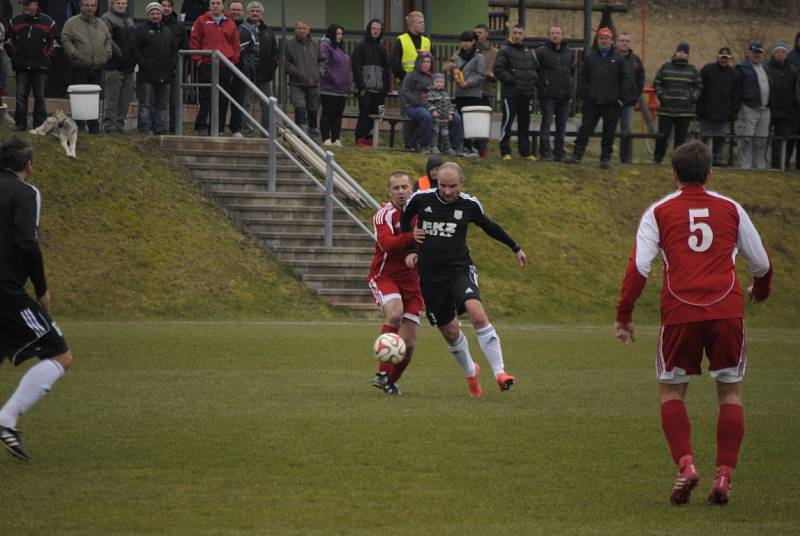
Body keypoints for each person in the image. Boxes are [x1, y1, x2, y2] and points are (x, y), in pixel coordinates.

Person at [615, 139, 772, 506]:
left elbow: (639, 268)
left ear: (673, 174)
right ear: (709, 173)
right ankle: (724, 476)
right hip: (726, 310)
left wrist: (625, 314)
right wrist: (761, 291)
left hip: (681, 313)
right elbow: (761, 263)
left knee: (672, 391)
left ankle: (686, 466)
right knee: (730, 393)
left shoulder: (658, 211)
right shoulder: (731, 208)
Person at [401, 162, 526, 398]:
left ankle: (500, 373)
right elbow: (405, 219)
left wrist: (515, 247)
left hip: (459, 269)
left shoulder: (469, 204)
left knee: (477, 313)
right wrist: (410, 247)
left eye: (453, 186)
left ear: (462, 183)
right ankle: (471, 372)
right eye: (443, 185)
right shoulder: (421, 199)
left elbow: (489, 226)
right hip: (430, 276)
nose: (447, 191)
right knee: (450, 332)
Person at [0, 137, 75, 462]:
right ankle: (7, 419)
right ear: (28, 165)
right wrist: (42, 288)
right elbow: (27, 244)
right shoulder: (26, 193)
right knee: (60, 355)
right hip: (5, 290)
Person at [367, 172, 423, 396]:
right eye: (396, 188)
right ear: (389, 192)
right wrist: (413, 237)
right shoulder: (384, 215)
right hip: (385, 276)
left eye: (405, 187)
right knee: (395, 313)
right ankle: (381, 372)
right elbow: (387, 243)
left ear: (412, 189)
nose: (401, 191)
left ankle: (390, 381)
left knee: (408, 346)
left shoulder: (422, 213)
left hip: (413, 282)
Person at [566, 27, 632, 169]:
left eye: (606, 38)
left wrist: (621, 99)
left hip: (612, 103)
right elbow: (583, 77)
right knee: (585, 130)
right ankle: (577, 155)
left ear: (611, 41)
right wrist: (584, 95)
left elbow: (625, 80)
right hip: (592, 101)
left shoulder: (619, 59)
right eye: (601, 38)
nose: (603, 40)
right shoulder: (590, 57)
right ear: (598, 40)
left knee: (609, 132)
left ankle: (605, 159)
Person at [61, 0, 112, 134]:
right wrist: (75, 54)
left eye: (92, 5)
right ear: (81, 6)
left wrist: (106, 54)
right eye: (87, 5)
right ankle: (79, 126)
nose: (90, 8)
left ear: (96, 7)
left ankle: (94, 126)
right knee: (79, 98)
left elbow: (108, 40)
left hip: (97, 67)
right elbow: (65, 39)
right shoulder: (71, 23)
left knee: (94, 99)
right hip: (79, 66)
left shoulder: (102, 24)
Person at [189, 0, 239, 135]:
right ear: (209, 5)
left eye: (218, 3)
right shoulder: (201, 21)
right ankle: (201, 127)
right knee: (204, 97)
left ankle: (218, 128)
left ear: (223, 6)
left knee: (222, 98)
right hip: (206, 64)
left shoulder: (230, 23)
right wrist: (198, 60)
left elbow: (235, 44)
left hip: (224, 65)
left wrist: (233, 61)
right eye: (212, 3)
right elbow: (194, 40)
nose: (215, 5)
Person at [8, 0, 57, 131]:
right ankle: (20, 124)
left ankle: (39, 125)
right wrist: (15, 56)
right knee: (20, 96)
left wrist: (47, 58)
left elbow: (55, 43)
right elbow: (9, 41)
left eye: (28, 4)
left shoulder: (49, 22)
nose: (25, 7)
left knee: (40, 96)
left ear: (36, 5)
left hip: (40, 66)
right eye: (23, 4)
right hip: (21, 66)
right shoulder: (15, 21)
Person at [652, 43, 702, 165]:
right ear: (675, 53)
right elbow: (657, 83)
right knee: (662, 137)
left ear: (687, 55)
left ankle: (677, 164)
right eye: (679, 52)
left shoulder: (692, 70)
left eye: (684, 53)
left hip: (684, 112)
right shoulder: (665, 67)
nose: (681, 54)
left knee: (680, 140)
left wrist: (692, 98)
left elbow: (699, 86)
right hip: (666, 110)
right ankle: (657, 159)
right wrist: (662, 97)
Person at [494, 24, 538, 161]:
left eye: (520, 33)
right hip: (511, 94)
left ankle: (525, 152)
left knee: (524, 125)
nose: (517, 35)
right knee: (507, 123)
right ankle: (505, 151)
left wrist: (532, 81)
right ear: (510, 34)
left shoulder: (528, 52)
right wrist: (512, 80)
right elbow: (498, 69)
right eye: (515, 32)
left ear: (524, 35)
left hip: (526, 94)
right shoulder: (505, 51)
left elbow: (534, 70)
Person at [132, 2, 176, 135]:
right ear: (148, 15)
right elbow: (133, 49)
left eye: (157, 13)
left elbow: (174, 50)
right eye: (152, 13)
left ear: (161, 14)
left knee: (163, 104)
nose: (155, 16)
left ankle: (159, 128)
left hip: (165, 74)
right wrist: (143, 63)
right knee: (146, 102)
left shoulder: (168, 31)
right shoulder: (140, 30)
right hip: (147, 74)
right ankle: (145, 128)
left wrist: (172, 64)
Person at [390, 11, 430, 151]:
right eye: (420, 22)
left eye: (424, 22)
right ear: (412, 24)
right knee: (408, 115)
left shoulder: (426, 41)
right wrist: (406, 78)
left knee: (424, 113)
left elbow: (431, 62)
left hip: (424, 86)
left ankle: (419, 143)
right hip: (407, 85)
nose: (423, 24)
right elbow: (394, 63)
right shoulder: (401, 40)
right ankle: (409, 144)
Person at [536, 24, 574, 162]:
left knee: (561, 125)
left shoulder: (569, 52)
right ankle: (545, 153)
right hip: (548, 95)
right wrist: (542, 87)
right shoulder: (541, 52)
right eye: (552, 33)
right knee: (546, 124)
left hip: (564, 95)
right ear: (548, 35)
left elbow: (571, 70)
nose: (555, 35)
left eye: (558, 33)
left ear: (562, 35)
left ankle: (559, 153)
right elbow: (535, 71)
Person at [733, 42, 772, 170]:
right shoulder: (742, 68)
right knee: (746, 138)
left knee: (761, 139)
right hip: (748, 108)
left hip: (765, 109)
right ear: (748, 54)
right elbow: (736, 89)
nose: (757, 55)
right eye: (754, 53)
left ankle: (760, 166)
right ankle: (745, 165)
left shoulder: (765, 68)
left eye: (759, 53)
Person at [697, 47, 739, 167]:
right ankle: (701, 161)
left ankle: (717, 160)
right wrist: (698, 108)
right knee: (703, 138)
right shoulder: (707, 69)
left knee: (720, 139)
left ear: (729, 59)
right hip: (706, 112)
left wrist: (733, 111)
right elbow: (700, 89)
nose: (724, 60)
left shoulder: (734, 74)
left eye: (726, 58)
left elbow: (736, 95)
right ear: (717, 57)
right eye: (722, 57)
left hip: (724, 113)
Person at [351, 18, 389, 148]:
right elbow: (356, 67)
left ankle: (369, 138)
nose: (376, 31)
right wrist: (361, 86)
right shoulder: (361, 46)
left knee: (375, 114)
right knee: (364, 113)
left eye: (378, 29)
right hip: (365, 88)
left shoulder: (382, 48)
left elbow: (386, 69)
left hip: (378, 89)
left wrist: (385, 87)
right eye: (373, 28)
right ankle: (360, 138)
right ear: (369, 29)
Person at [447, 31, 485, 157]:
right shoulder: (457, 56)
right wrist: (450, 70)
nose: (465, 44)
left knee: (472, 121)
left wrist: (468, 83)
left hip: (473, 94)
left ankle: (473, 147)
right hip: (460, 93)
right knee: (461, 121)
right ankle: (464, 145)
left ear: (473, 41)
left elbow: (481, 76)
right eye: (463, 41)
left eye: (468, 41)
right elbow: (451, 77)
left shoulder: (479, 57)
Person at [242, 1, 277, 137]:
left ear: (261, 14)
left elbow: (275, 52)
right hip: (247, 74)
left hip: (265, 75)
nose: (255, 13)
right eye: (252, 11)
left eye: (257, 11)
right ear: (248, 13)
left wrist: (271, 68)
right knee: (246, 104)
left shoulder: (268, 32)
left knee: (268, 105)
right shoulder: (243, 29)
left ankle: (267, 133)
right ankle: (247, 132)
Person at [101, 0, 135, 133]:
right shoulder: (106, 18)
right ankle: (109, 126)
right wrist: (119, 53)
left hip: (129, 65)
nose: (121, 5)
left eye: (124, 3)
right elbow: (107, 38)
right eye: (118, 3)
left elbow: (134, 39)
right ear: (112, 4)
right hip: (114, 65)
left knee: (125, 99)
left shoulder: (129, 19)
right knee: (112, 98)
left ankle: (120, 125)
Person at [285, 19, 322, 139]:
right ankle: (301, 134)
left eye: (304, 28)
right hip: (297, 83)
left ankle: (313, 133)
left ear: (308, 30)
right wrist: (296, 72)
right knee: (299, 108)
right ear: (295, 30)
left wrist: (319, 72)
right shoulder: (289, 44)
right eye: (299, 28)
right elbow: (285, 62)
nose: (302, 31)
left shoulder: (315, 44)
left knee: (313, 109)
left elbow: (322, 61)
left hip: (313, 83)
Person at [765, 43, 798, 170]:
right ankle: (763, 163)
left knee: (782, 139)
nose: (780, 54)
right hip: (770, 109)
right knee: (764, 138)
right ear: (774, 54)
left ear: (786, 54)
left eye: (783, 52)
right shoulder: (767, 68)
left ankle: (779, 164)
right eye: (777, 52)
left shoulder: (792, 69)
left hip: (786, 111)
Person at [227, 0, 256, 137]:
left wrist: (248, 66)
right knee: (221, 99)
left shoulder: (249, 29)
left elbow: (255, 51)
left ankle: (236, 129)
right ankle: (219, 128)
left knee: (239, 101)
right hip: (223, 68)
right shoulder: (223, 25)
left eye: (238, 10)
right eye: (233, 9)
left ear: (242, 12)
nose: (236, 12)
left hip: (241, 70)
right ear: (228, 10)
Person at [319, 24, 351, 147]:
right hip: (329, 88)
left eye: (341, 34)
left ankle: (336, 138)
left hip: (342, 89)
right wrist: (333, 79)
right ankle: (326, 138)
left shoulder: (341, 49)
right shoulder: (326, 46)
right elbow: (324, 65)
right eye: (337, 34)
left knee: (338, 114)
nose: (340, 36)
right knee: (327, 113)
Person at [615, 32, 645, 164]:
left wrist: (635, 95)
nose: (624, 43)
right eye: (621, 40)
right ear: (617, 42)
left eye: (627, 41)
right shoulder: (611, 57)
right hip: (612, 101)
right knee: (609, 129)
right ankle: (606, 155)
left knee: (626, 131)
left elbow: (640, 79)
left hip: (629, 102)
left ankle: (624, 158)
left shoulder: (636, 60)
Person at [160, 0, 188, 134]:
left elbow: (185, 47)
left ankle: (174, 127)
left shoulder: (179, 26)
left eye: (168, 6)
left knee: (175, 100)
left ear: (172, 8)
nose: (166, 9)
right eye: (163, 6)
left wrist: (179, 64)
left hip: (175, 67)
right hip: (157, 67)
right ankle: (158, 126)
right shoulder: (155, 24)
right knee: (159, 99)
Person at [399, 52, 435, 153]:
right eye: (424, 61)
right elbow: (405, 92)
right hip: (412, 106)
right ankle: (424, 145)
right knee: (426, 115)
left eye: (429, 62)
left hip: (430, 105)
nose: (426, 64)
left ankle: (452, 147)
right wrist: (419, 100)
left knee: (455, 117)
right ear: (419, 62)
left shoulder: (433, 77)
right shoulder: (411, 75)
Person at [474, 23, 496, 158]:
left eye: (480, 32)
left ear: (487, 34)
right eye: (475, 32)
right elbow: (452, 62)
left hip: (487, 90)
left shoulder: (495, 52)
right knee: (472, 120)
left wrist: (492, 75)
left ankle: (483, 149)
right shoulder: (468, 49)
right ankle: (470, 146)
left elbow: (500, 71)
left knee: (485, 121)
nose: (477, 35)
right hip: (471, 91)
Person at [427, 73, 454, 154]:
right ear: (433, 83)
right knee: (435, 132)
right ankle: (433, 146)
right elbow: (429, 103)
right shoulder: (431, 93)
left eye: (441, 82)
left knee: (445, 133)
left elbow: (450, 105)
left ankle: (447, 148)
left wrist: (450, 113)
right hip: (436, 117)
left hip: (445, 118)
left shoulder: (446, 94)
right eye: (437, 82)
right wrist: (433, 110)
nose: (439, 84)